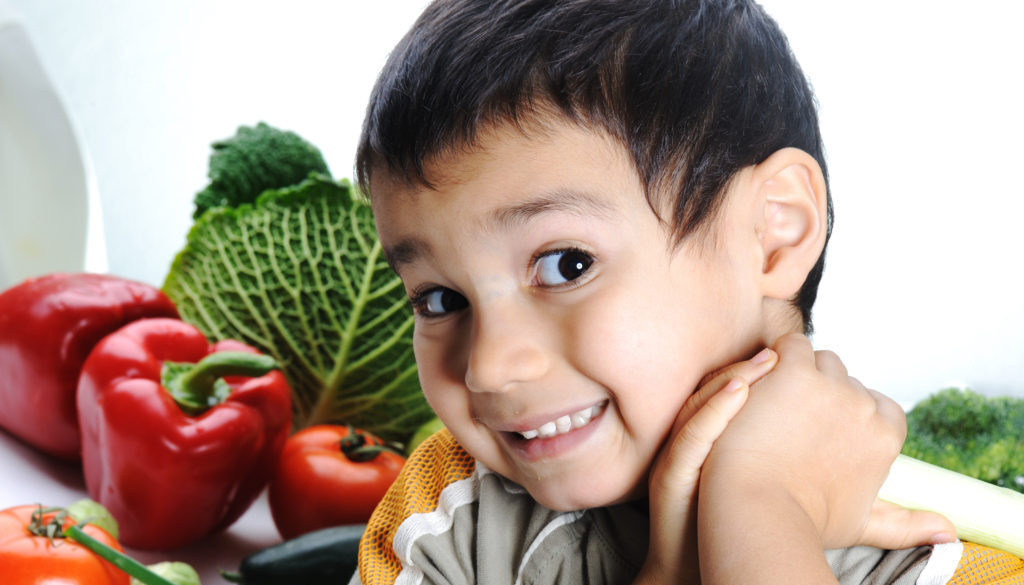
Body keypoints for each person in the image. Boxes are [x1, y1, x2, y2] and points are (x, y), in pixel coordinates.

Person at [348, 1, 1024, 583]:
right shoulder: (443, 510)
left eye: (566, 264)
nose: (488, 367)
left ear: (773, 232)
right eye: (440, 299)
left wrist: (755, 502)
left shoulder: (956, 563)